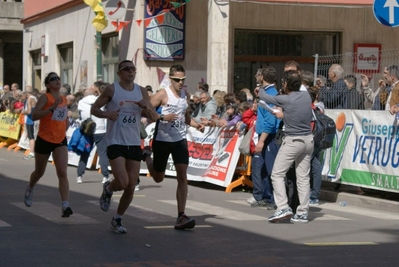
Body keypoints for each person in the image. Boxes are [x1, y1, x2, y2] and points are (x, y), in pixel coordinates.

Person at [91, 60, 158, 234]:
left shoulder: (141, 91)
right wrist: (107, 114)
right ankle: (108, 188)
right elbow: (94, 109)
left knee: (130, 186)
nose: (130, 71)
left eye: (133, 69)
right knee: (122, 181)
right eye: (126, 69)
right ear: (119, 73)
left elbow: (154, 116)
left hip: (134, 142)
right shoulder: (112, 89)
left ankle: (117, 219)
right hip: (115, 141)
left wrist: (146, 107)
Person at [143, 64, 204, 230]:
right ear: (170, 79)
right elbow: (145, 110)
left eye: (182, 80)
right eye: (177, 80)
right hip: (162, 140)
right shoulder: (163, 94)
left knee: (182, 176)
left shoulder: (185, 95)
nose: (180, 83)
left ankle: (181, 215)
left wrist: (197, 125)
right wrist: (161, 116)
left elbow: (184, 116)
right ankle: (147, 156)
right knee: (158, 177)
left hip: (179, 140)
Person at [259, 70, 314, 223]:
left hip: (293, 141)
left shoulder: (286, 99)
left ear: (285, 85)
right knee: (303, 177)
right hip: (308, 140)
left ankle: (283, 207)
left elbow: (264, 97)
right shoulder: (305, 96)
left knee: (277, 174)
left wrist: (260, 87)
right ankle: (302, 212)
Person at [24, 72, 73, 218]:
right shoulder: (45, 97)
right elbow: (34, 115)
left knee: (62, 172)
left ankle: (65, 205)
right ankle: (30, 187)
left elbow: (62, 119)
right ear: (48, 85)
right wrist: (51, 108)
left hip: (60, 140)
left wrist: (66, 121)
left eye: (58, 78)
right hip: (45, 139)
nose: (57, 80)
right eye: (53, 79)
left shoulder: (63, 99)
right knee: (39, 172)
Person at [248, 67, 280, 209]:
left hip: (269, 136)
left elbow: (270, 121)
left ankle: (275, 199)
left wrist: (261, 141)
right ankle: (266, 196)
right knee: (264, 169)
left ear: (262, 77)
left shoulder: (270, 95)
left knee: (272, 169)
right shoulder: (266, 92)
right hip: (264, 134)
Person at [76, 81, 110, 184]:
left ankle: (79, 175)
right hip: (100, 129)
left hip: (87, 129)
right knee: (102, 153)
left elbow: (80, 115)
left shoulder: (82, 102)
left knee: (85, 152)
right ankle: (105, 176)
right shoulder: (100, 101)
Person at [22, 86, 38, 160]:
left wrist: (23, 112)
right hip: (33, 119)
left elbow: (29, 111)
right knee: (32, 136)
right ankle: (32, 152)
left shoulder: (29, 99)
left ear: (26, 92)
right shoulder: (34, 98)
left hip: (30, 120)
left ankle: (32, 153)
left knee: (31, 136)